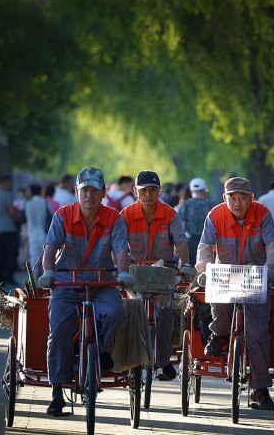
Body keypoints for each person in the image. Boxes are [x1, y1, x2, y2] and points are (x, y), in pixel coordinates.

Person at [37, 167, 132, 416]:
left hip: (101, 284)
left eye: (93, 190)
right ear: (77, 192)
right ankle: (57, 392)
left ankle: (102, 350)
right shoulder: (63, 215)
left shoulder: (114, 218)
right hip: (66, 283)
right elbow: (49, 248)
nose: (89, 195)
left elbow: (121, 250)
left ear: (103, 193)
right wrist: (48, 273)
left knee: (115, 313)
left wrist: (123, 273)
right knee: (59, 332)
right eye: (84, 190)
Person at [195, 177, 274, 410]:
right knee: (219, 306)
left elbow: (273, 245)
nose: (237, 202)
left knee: (257, 334)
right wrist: (203, 270)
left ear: (251, 198)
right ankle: (220, 335)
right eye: (232, 198)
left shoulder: (263, 214)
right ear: (225, 199)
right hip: (225, 277)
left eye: (242, 197)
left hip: (255, 278)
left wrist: (273, 269)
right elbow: (205, 247)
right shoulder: (215, 215)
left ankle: (260, 388)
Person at [120, 170, 194, 381]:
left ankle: (163, 360)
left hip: (164, 272)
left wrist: (186, 264)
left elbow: (180, 241)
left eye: (153, 190)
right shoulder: (126, 215)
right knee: (132, 314)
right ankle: (132, 358)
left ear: (159, 191)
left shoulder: (170, 213)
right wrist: (119, 267)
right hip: (136, 272)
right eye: (144, 191)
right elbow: (117, 245)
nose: (148, 195)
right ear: (135, 191)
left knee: (165, 316)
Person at [0, 175, 19, 286]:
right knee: (11, 254)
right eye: (10, 183)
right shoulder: (6, 195)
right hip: (7, 230)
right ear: (4, 183)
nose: (11, 186)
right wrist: (18, 217)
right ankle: (9, 277)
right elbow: (11, 212)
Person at [175, 177, 218, 256]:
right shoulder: (212, 205)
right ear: (205, 190)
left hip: (190, 242)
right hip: (208, 242)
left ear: (191, 191)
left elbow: (180, 224)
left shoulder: (185, 204)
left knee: (189, 266)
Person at [24, 183, 50, 265]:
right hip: (44, 233)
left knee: (34, 259)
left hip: (32, 235)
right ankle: (46, 277)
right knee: (46, 259)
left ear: (31, 192)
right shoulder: (44, 202)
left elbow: (26, 220)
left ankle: (33, 277)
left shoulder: (28, 204)